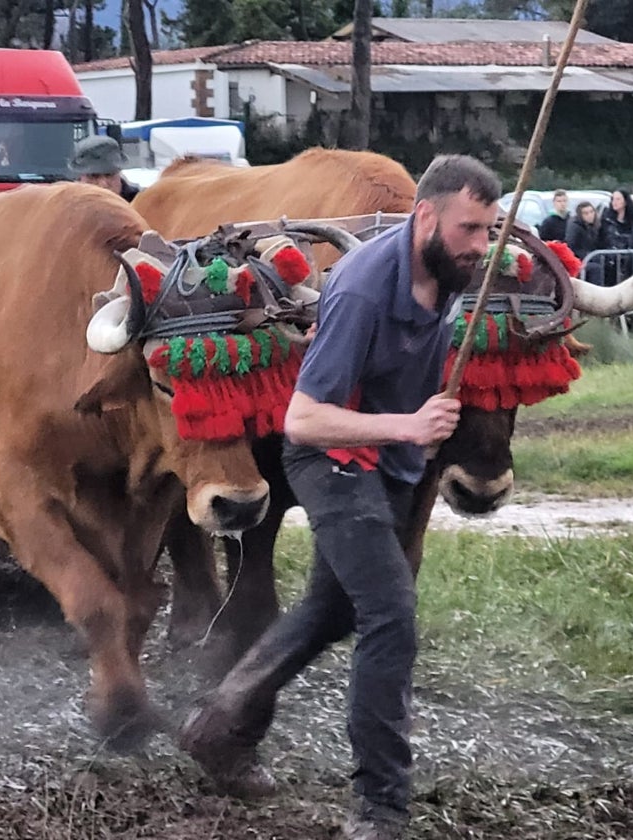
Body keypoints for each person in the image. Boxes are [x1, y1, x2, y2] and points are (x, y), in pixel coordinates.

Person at [180, 155, 499, 840]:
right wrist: (408, 426)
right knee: (389, 613)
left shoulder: (446, 270)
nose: (481, 246)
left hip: (385, 461)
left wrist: (409, 437)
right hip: (331, 458)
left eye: (489, 230)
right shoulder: (361, 290)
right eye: (471, 228)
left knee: (331, 610)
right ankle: (381, 809)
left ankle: (218, 725)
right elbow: (302, 420)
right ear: (426, 217)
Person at [67, 135, 140, 202]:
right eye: (94, 176)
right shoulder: (65, 206)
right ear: (80, 178)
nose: (103, 184)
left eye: (109, 174)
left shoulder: (141, 203)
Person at [596, 188, 633, 286]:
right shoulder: (606, 220)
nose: (614, 202)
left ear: (625, 201)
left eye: (618, 199)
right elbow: (602, 240)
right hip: (611, 262)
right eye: (613, 199)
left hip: (630, 261)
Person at [565, 200, 603, 285]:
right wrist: (588, 256)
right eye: (586, 213)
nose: (590, 215)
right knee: (595, 268)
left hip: (588, 258)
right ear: (580, 215)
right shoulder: (575, 227)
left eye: (591, 212)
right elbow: (572, 246)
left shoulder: (594, 226)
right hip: (579, 261)